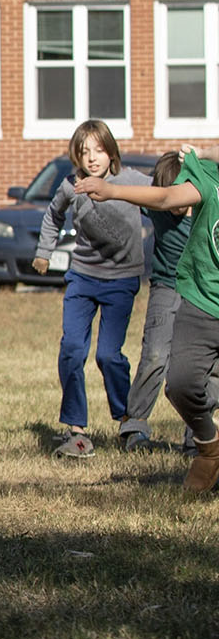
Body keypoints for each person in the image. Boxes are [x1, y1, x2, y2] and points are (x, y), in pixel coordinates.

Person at [77, 147, 219, 491]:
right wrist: (112, 191)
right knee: (181, 384)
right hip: (202, 302)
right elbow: (168, 195)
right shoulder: (211, 181)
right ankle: (208, 446)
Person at [34, 119, 151, 458]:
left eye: (99, 150)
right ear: (77, 156)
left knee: (109, 356)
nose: (93, 158)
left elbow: (163, 197)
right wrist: (44, 252)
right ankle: (76, 431)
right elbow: (52, 216)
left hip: (121, 280)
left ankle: (128, 421)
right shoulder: (71, 186)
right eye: (85, 152)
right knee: (71, 348)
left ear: (111, 151)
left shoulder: (130, 181)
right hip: (83, 278)